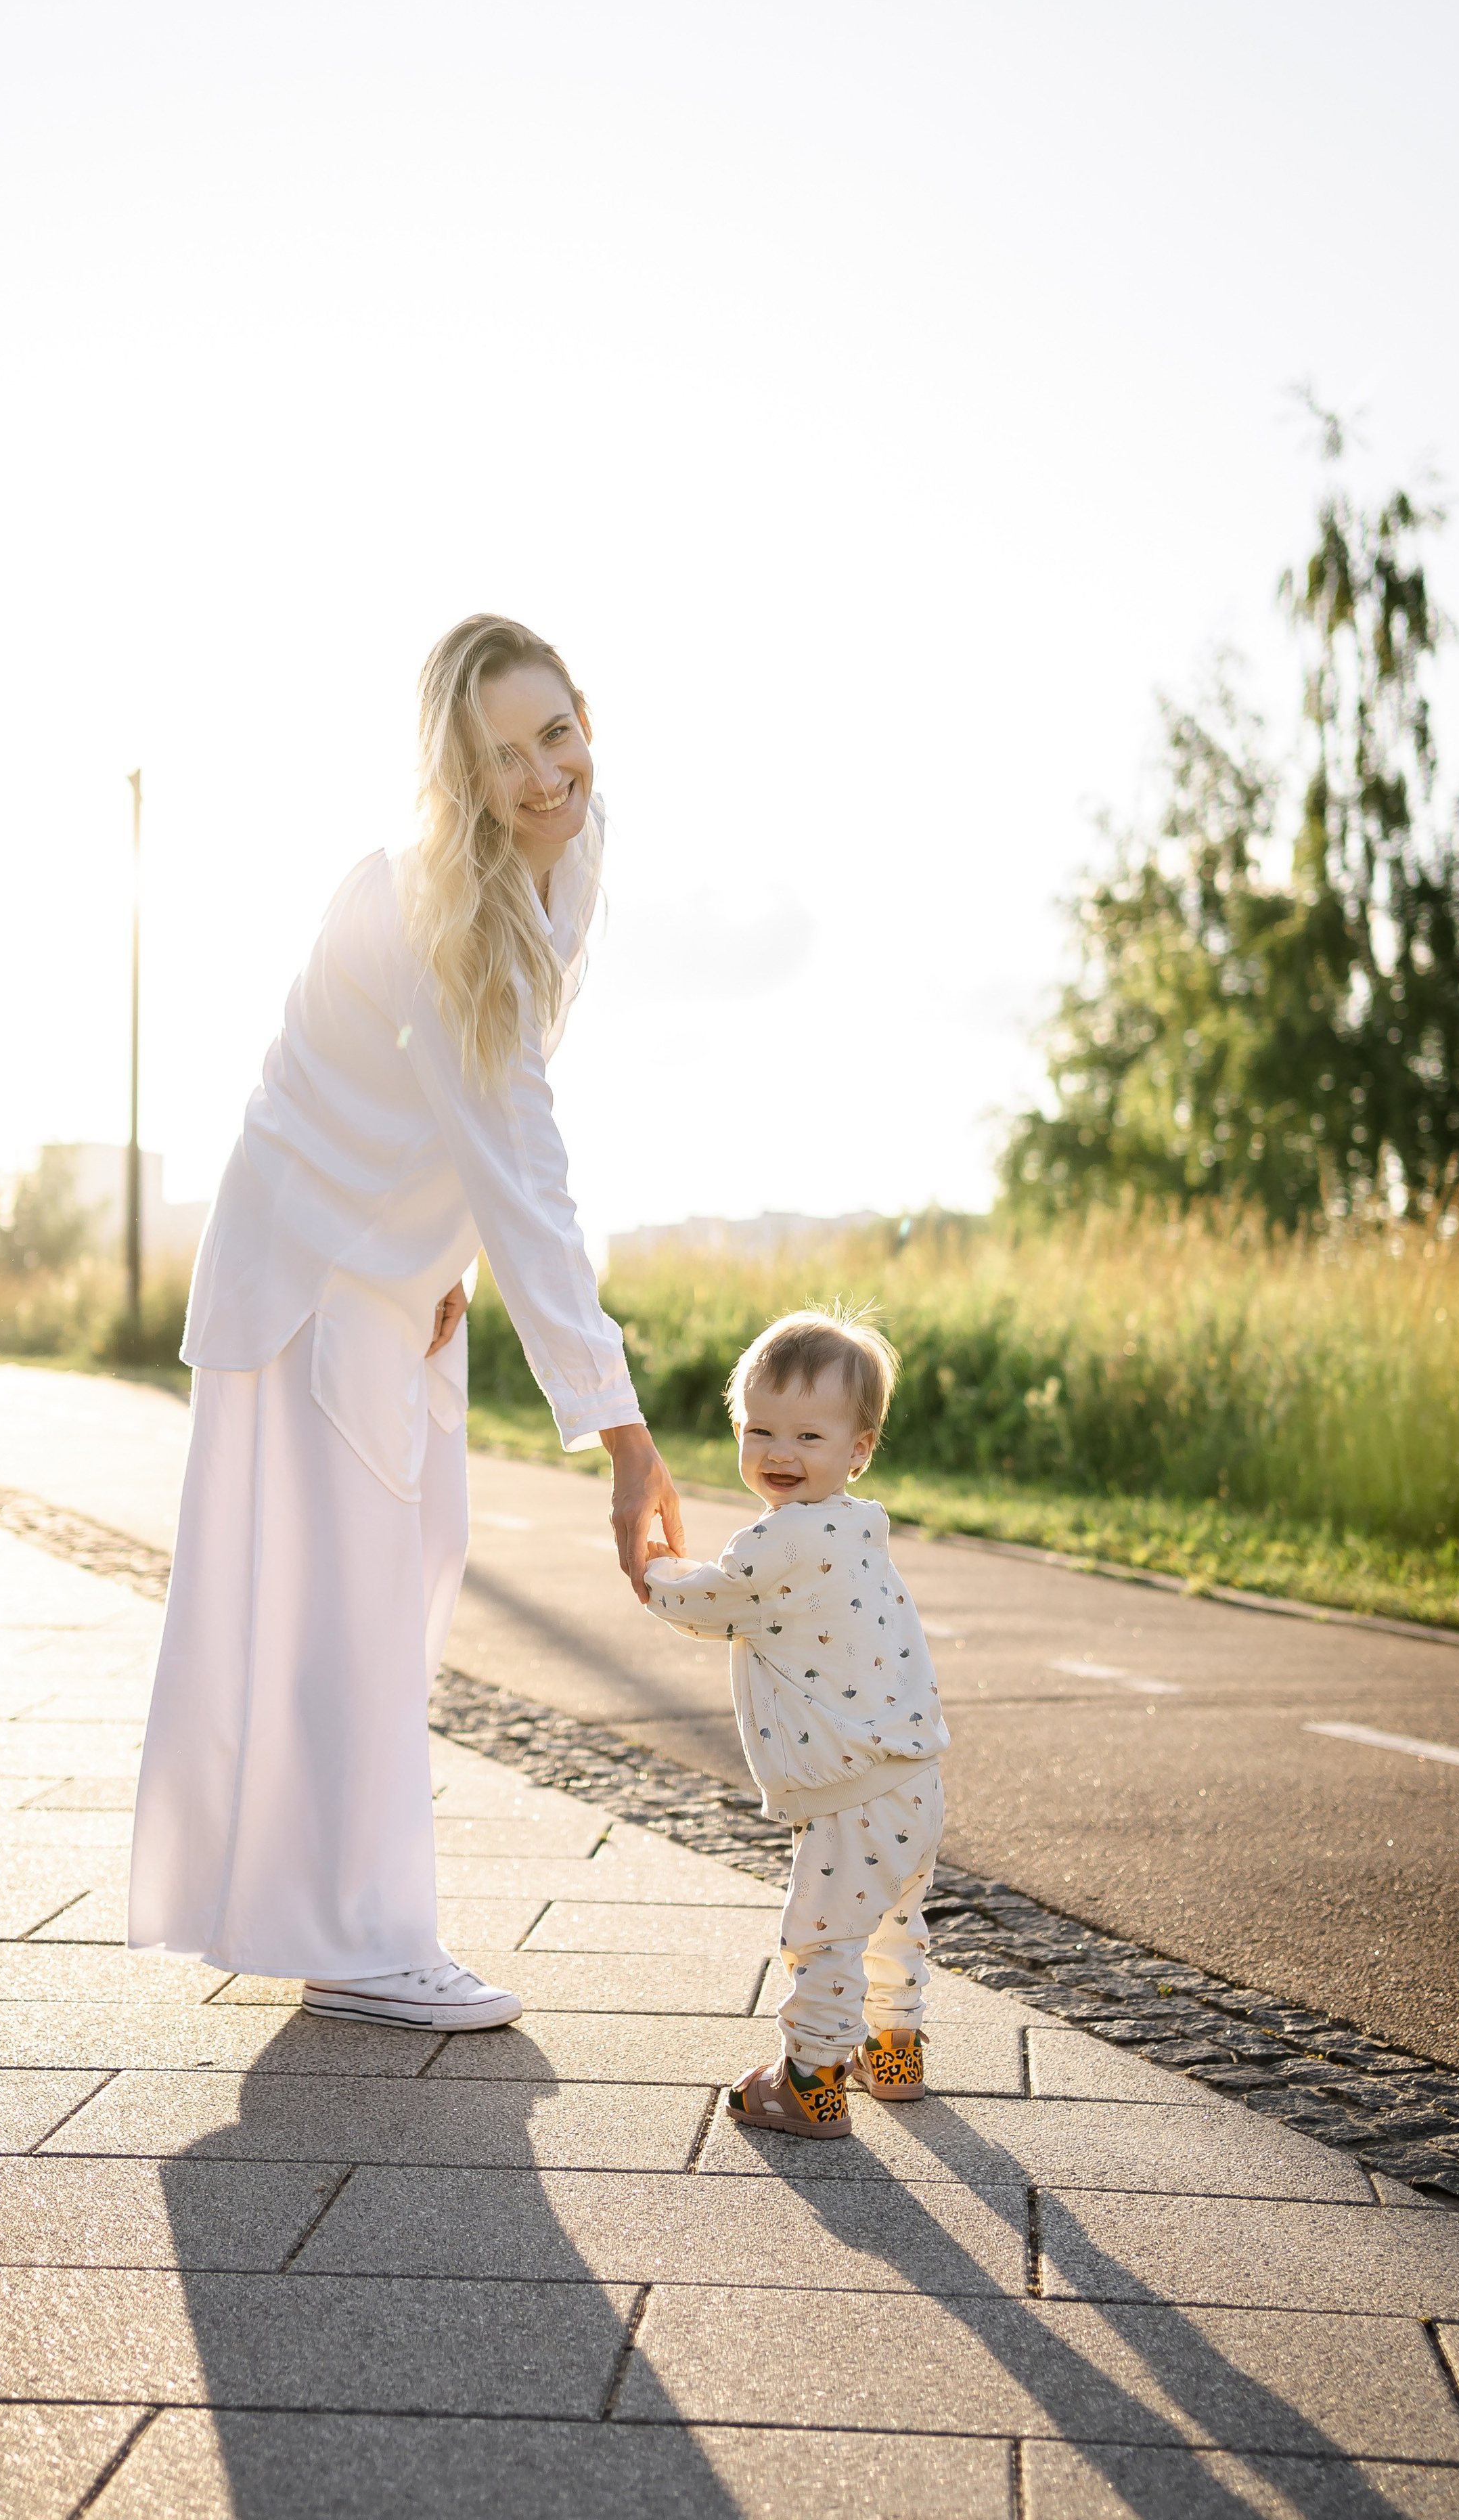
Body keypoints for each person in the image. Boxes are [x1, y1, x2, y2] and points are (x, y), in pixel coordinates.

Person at [128, 614, 684, 2027]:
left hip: (387, 1264)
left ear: (587, 718)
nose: (543, 775)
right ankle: (364, 1942)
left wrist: (444, 1261)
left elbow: (468, 1129)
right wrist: (623, 1436)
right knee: (352, 1605)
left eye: (555, 733)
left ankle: (326, 1915)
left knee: (411, 1566)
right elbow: (521, 1163)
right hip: (309, 1272)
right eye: (503, 757)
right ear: (460, 776)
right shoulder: (439, 908)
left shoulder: (575, 843)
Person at [639, 1309, 949, 2137]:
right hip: (915, 1777)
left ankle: (808, 2080)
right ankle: (894, 2051)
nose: (780, 1453)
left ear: (858, 1449)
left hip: (850, 1789)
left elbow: (707, 1603)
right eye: (760, 1430)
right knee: (894, 1923)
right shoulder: (857, 1527)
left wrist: (651, 1565)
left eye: (809, 1436)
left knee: (824, 1931)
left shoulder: (780, 1541)